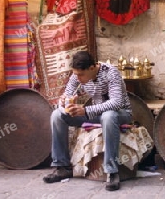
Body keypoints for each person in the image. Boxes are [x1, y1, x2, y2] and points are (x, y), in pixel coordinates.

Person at [43, 51, 132, 191]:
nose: (77, 78)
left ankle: (112, 172)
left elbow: (116, 103)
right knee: (57, 115)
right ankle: (62, 167)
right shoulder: (77, 75)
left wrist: (86, 111)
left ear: (92, 68)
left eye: (81, 75)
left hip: (120, 114)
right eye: (76, 74)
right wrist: (64, 102)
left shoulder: (111, 73)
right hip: (95, 113)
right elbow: (67, 94)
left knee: (108, 116)